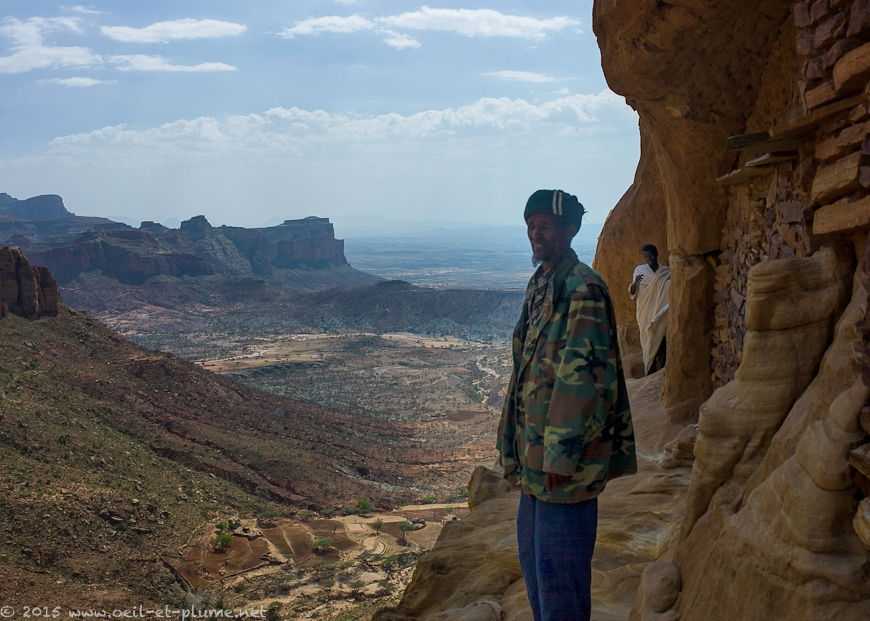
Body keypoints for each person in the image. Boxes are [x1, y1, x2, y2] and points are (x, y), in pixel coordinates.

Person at [497, 189, 637, 621]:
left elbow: (584, 381)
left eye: (546, 227)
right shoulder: (542, 282)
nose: (536, 234)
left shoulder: (583, 287)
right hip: (535, 462)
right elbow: (526, 372)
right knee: (539, 578)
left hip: (563, 469)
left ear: (570, 230)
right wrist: (513, 448)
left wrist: (559, 457)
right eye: (531, 227)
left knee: (561, 584)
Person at [628, 244, 670, 374]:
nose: (648, 258)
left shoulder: (665, 271)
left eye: (650, 255)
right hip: (645, 313)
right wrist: (636, 283)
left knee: (661, 340)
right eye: (646, 256)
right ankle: (649, 371)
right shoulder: (639, 271)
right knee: (647, 341)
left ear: (656, 254)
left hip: (660, 312)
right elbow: (632, 293)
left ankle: (661, 371)